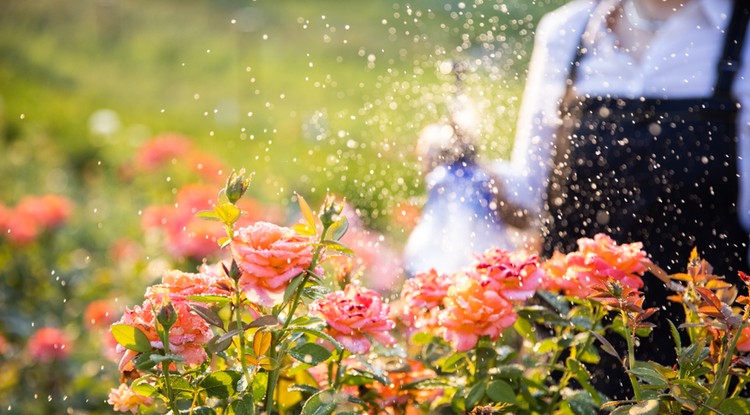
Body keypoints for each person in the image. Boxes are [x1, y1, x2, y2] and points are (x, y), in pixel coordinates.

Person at [490, 0, 750, 398]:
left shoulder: (742, 34)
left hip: (704, 359)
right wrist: (466, 170)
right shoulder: (567, 30)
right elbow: (529, 201)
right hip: (579, 352)